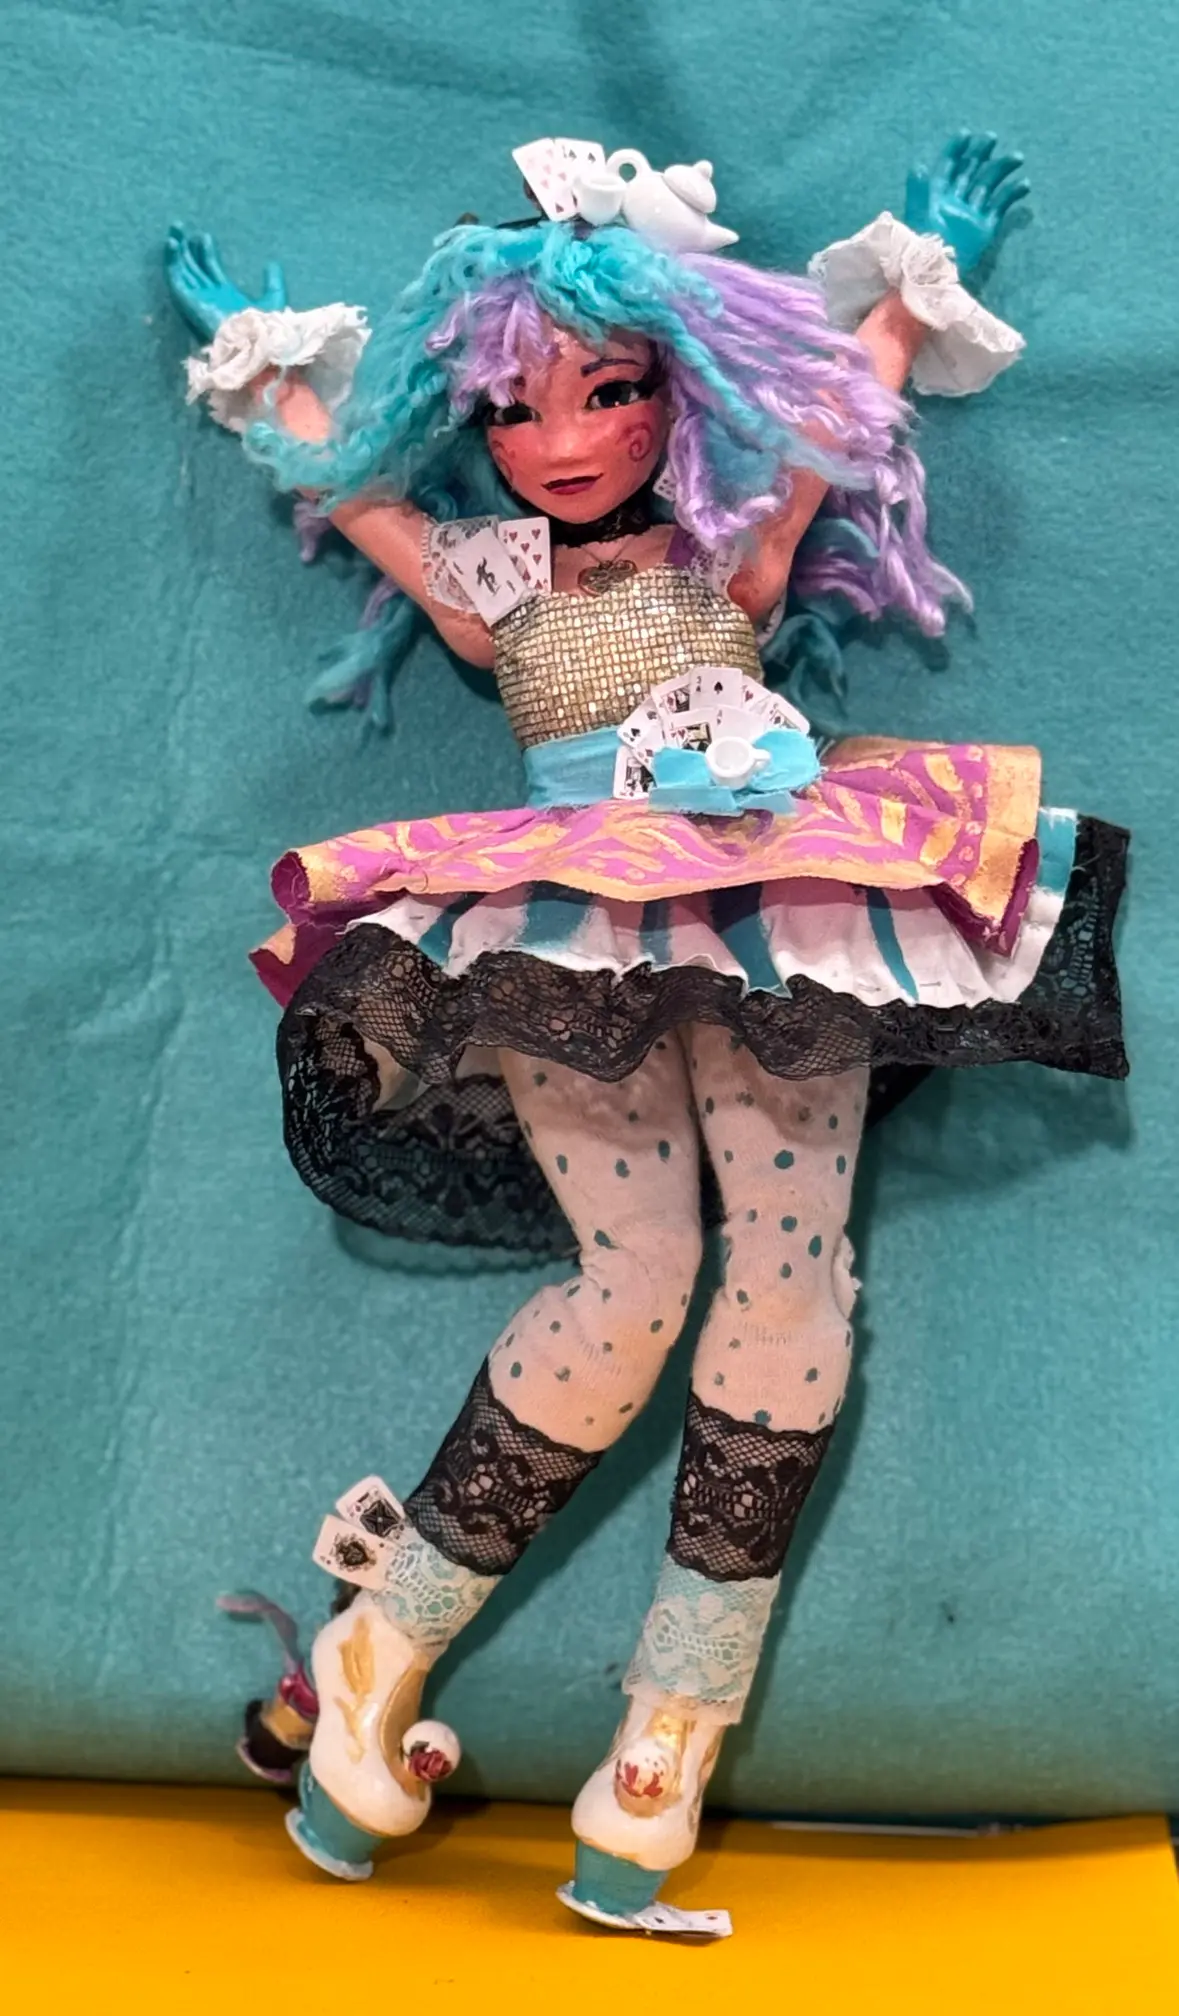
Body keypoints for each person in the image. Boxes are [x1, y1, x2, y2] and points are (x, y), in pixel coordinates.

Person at [166, 131, 1127, 1935]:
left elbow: (825, 427)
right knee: (634, 1276)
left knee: (791, 1269)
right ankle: (376, 1654)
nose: (562, 438)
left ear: (674, 387)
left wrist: (907, 285)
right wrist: (265, 375)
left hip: (771, 884)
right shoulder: (493, 576)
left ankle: (667, 1734)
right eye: (514, 407)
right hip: (563, 910)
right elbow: (352, 486)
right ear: (471, 418)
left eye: (608, 391)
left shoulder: (719, 547)